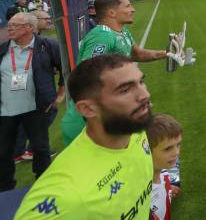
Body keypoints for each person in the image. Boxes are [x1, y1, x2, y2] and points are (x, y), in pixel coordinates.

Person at [14, 54, 153, 219]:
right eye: (125, 90)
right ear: (87, 109)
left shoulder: (133, 130)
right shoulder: (67, 193)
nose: (144, 95)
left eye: (141, 82)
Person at [60, 0, 172, 145]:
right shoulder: (102, 36)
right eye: (127, 6)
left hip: (108, 115)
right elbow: (87, 75)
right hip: (88, 121)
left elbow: (137, 53)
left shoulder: (122, 31)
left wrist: (168, 53)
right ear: (111, 12)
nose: (132, 9)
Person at [0, 13, 64, 191]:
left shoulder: (47, 46)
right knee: (3, 152)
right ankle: (5, 189)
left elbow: (66, 70)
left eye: (15, 25)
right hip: (5, 111)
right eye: (9, 25)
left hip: (35, 108)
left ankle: (43, 185)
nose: (9, 28)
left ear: (29, 27)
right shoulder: (3, 48)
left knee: (40, 148)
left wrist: (60, 96)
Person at [13, 11, 63, 163]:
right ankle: (26, 151)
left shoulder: (46, 44)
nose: (49, 20)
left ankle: (20, 151)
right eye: (45, 18)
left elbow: (62, 68)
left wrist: (61, 93)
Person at [147, 114, 183, 220]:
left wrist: (168, 190)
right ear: (147, 150)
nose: (176, 152)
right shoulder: (144, 197)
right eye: (168, 149)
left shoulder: (167, 167)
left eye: (178, 145)